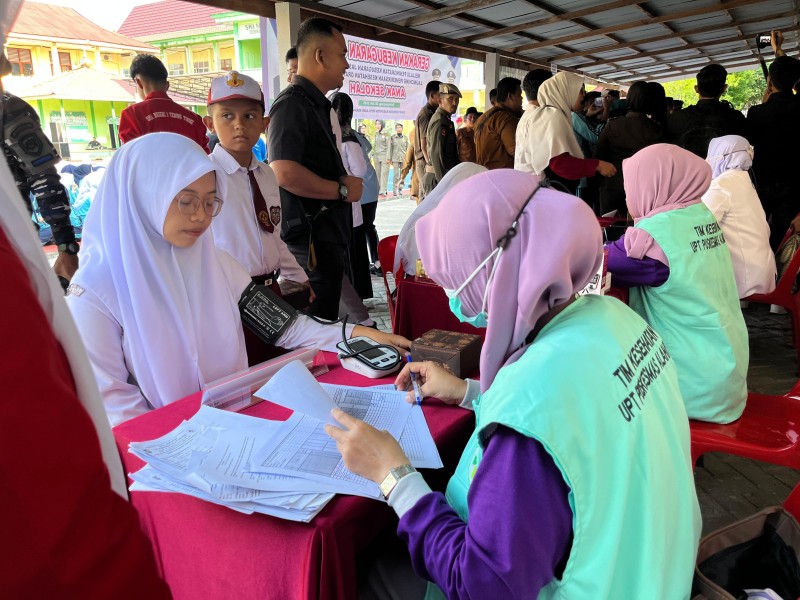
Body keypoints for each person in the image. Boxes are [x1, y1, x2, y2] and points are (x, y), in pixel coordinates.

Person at [327, 169, 701, 599]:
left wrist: (392, 475)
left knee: (363, 570)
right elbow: (580, 427)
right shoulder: (617, 320)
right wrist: (470, 392)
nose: (451, 292)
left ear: (492, 272)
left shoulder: (531, 407)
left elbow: (484, 585)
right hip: (650, 573)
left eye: (453, 274)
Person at [66, 133, 408, 426]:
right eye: (186, 201)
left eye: (210, 201)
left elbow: (286, 326)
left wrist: (359, 333)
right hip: (162, 451)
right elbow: (114, 403)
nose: (200, 216)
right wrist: (180, 447)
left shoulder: (214, 263)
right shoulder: (94, 293)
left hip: (232, 426)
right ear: (143, 196)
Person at [606, 144, 748, 424]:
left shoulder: (657, 234)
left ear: (654, 183)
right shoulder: (699, 215)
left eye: (631, 186)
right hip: (724, 371)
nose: (628, 195)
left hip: (691, 386)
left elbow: (601, 260)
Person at [203, 71, 313, 362]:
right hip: (229, 296)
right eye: (227, 116)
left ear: (265, 124)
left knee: (276, 368)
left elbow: (273, 236)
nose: (239, 125)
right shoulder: (204, 178)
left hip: (270, 291)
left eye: (250, 116)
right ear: (209, 123)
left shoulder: (266, 174)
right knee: (241, 374)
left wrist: (299, 277)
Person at [268, 18, 363, 321]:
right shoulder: (291, 105)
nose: (346, 64)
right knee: (318, 325)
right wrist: (341, 189)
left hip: (325, 238)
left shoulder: (316, 104)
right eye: (342, 54)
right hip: (310, 243)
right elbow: (283, 171)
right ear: (320, 56)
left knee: (328, 317)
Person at [0, 49, 79, 284]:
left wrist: (66, 249)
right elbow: (44, 180)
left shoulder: (10, 111)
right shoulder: (10, 110)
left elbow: (44, 180)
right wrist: (67, 248)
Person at [702, 135, 776, 298]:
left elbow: (698, 222)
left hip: (745, 275)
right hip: (759, 268)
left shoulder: (723, 185)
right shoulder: (742, 179)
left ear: (720, 156)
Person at [521, 72, 616, 194]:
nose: (584, 97)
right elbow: (559, 163)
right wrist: (598, 165)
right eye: (580, 91)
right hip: (547, 191)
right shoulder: (554, 116)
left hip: (533, 188)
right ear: (566, 91)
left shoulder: (540, 114)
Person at [394, 162, 487, 276]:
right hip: (432, 284)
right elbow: (423, 273)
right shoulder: (427, 223)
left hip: (439, 282)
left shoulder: (474, 220)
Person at [331, 92, 376, 327]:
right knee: (351, 253)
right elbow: (359, 170)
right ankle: (356, 304)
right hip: (349, 204)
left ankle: (346, 304)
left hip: (331, 202)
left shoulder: (326, 135)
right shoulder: (349, 138)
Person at [746, 54, 800, 250]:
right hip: (795, 190)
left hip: (763, 188)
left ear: (769, 81)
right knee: (788, 244)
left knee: (763, 240)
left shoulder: (756, 113)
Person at [595, 80, 665, 214]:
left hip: (612, 184)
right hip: (643, 188)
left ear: (629, 99)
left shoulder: (612, 125)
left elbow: (599, 156)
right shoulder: (656, 129)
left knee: (611, 229)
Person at [118, 53, 209, 152]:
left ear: (138, 83)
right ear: (167, 85)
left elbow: (129, 157)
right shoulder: (195, 119)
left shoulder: (131, 115)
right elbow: (205, 156)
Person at [666, 63, 746, 157]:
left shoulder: (678, 118)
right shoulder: (735, 118)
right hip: (725, 171)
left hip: (689, 170)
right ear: (724, 88)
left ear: (696, 89)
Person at [474, 77, 523, 170]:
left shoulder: (482, 117)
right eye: (519, 95)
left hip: (483, 173)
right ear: (510, 97)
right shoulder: (506, 118)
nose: (522, 99)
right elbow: (516, 151)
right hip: (502, 176)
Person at [424, 83, 461, 192]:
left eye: (457, 99)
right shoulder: (440, 121)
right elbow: (436, 154)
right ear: (440, 101)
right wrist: (443, 185)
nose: (454, 103)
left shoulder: (446, 120)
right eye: (450, 99)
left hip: (442, 177)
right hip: (437, 179)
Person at [515, 68, 552, 173]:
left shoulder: (528, 115)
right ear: (546, 90)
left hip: (525, 179)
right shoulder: (540, 117)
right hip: (536, 182)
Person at [413, 80, 441, 200]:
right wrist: (430, 163)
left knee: (425, 194)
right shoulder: (426, 114)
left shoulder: (433, 112)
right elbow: (424, 145)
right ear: (433, 96)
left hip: (426, 161)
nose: (442, 99)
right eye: (441, 95)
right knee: (428, 196)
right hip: (424, 160)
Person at [388, 123, 408, 196]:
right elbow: (390, 149)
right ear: (396, 129)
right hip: (395, 159)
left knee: (402, 176)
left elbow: (407, 149)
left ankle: (400, 190)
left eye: (400, 127)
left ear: (402, 129)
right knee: (396, 175)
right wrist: (389, 159)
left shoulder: (405, 138)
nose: (399, 129)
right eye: (397, 127)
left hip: (403, 159)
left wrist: (407, 159)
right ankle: (394, 191)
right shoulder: (392, 138)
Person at [372, 119, 390, 196]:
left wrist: (388, 157)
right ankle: (378, 189)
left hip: (384, 156)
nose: (377, 125)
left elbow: (389, 146)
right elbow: (375, 145)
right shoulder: (376, 134)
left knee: (384, 174)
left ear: (382, 124)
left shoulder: (386, 134)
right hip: (376, 156)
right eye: (376, 124)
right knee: (377, 174)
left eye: (379, 124)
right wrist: (373, 155)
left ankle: (384, 190)